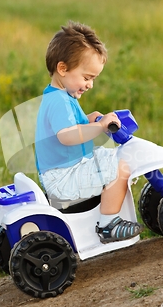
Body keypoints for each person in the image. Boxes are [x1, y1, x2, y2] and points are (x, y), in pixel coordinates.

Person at [35, 21, 142, 243]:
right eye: (87, 77)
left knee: (114, 156)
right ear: (62, 69)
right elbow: (67, 135)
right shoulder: (58, 101)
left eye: (93, 78)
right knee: (121, 167)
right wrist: (100, 126)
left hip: (69, 168)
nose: (90, 85)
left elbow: (76, 125)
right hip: (63, 178)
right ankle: (108, 225)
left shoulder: (63, 95)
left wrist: (92, 119)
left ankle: (109, 214)